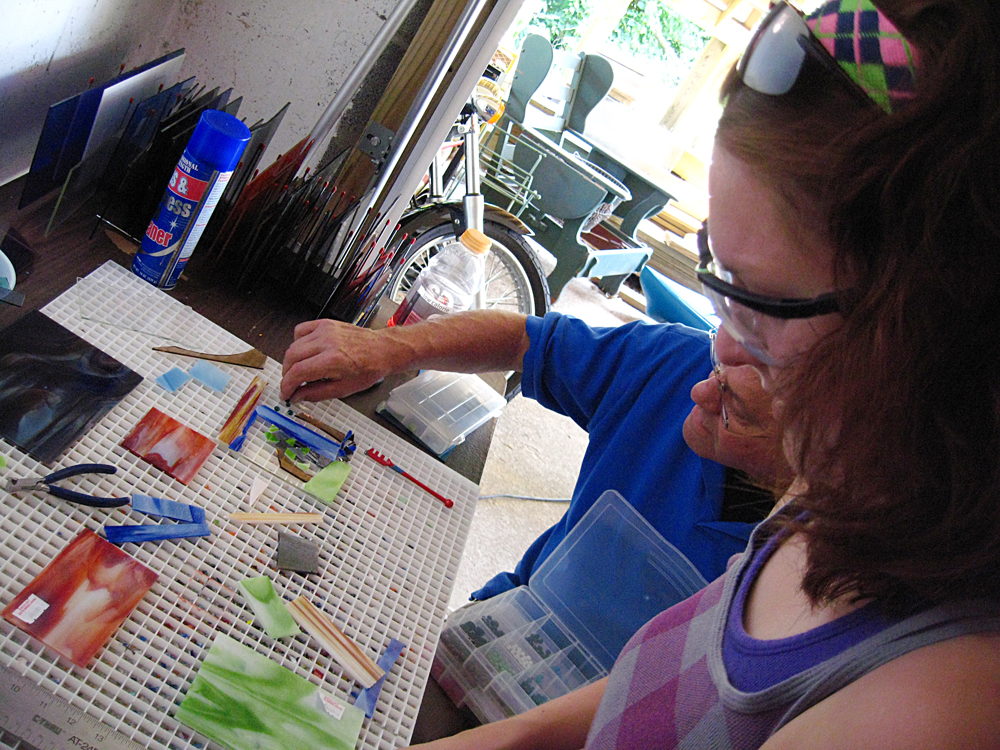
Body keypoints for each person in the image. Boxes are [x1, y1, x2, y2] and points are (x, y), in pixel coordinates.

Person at [392, 0, 1000, 746]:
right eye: (716, 267)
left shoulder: (930, 711)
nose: (724, 345)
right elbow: (669, 689)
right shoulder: (831, 494)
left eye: (758, 299)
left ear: (929, 340)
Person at [282, 308, 788, 590]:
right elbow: (524, 341)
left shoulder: (801, 575)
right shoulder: (674, 362)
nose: (699, 392)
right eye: (716, 367)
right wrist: (390, 348)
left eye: (734, 409)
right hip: (507, 630)